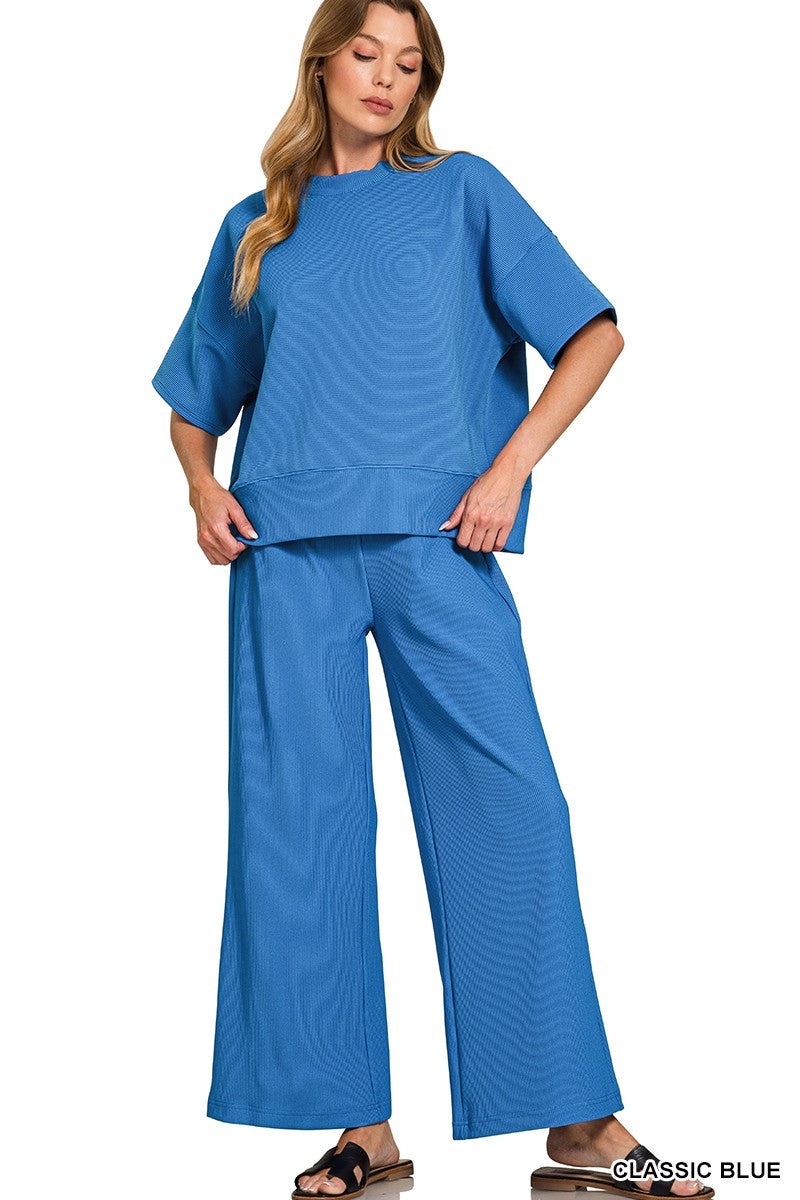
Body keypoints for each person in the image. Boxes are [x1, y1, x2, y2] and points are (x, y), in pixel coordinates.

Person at [152, 2, 714, 1198]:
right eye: (367, 54)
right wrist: (201, 486)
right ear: (322, 62)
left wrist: (506, 471)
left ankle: (579, 1124)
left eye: (409, 64)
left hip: (440, 540)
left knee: (510, 811)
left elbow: (593, 335)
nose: (387, 78)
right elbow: (196, 398)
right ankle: (359, 1129)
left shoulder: (463, 191)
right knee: (299, 833)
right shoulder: (258, 224)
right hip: (284, 550)